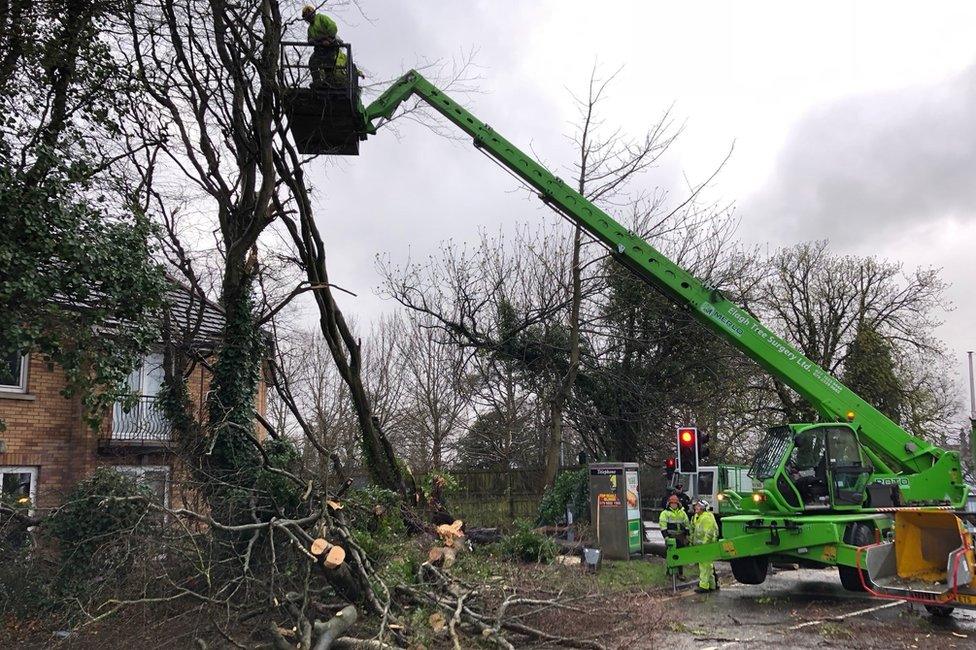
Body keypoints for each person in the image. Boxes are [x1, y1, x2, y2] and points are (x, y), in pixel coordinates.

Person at [302, 4, 341, 87]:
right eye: (306, 17)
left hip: (330, 47)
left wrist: (329, 39)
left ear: (313, 13)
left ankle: (329, 83)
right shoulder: (310, 28)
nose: (309, 18)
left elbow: (332, 27)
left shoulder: (321, 18)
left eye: (309, 15)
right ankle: (317, 82)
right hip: (319, 49)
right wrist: (311, 40)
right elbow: (309, 38)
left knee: (328, 64)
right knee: (313, 62)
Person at [690, 499, 719, 593]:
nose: (696, 507)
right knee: (707, 566)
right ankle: (712, 585)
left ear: (703, 508)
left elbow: (709, 533)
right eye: (696, 506)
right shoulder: (696, 516)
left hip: (706, 546)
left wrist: (705, 544)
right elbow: (693, 529)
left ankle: (704, 586)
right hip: (700, 546)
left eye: (699, 506)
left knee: (704, 566)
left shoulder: (706, 517)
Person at [659, 495, 690, 579]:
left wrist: (687, 535)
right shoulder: (665, 513)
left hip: (680, 536)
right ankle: (669, 572)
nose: (674, 505)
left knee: (680, 556)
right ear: (669, 504)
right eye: (672, 503)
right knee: (670, 555)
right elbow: (663, 526)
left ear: (677, 503)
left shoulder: (682, 513)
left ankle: (680, 573)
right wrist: (666, 537)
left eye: (675, 503)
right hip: (671, 537)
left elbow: (687, 524)